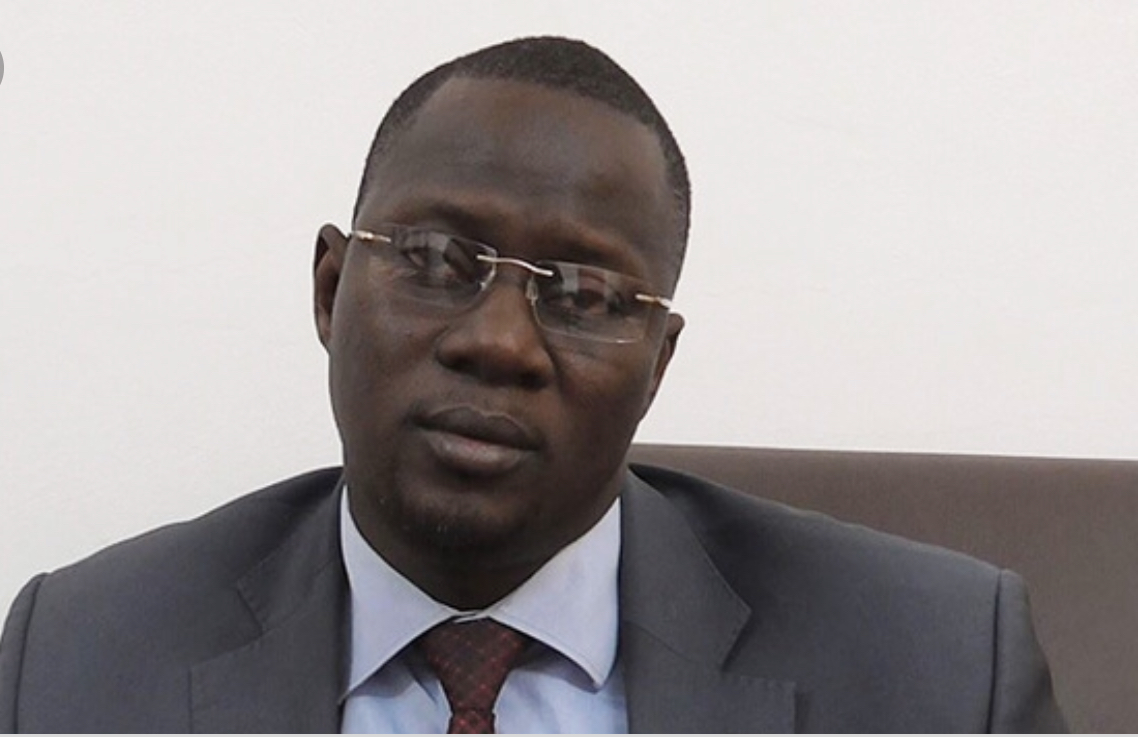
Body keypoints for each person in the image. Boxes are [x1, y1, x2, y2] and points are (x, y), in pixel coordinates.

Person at [0, 36, 1064, 733]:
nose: (500, 342)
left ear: (656, 367)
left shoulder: (936, 668)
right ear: (329, 290)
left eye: (585, 294)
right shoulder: (78, 657)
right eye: (434, 259)